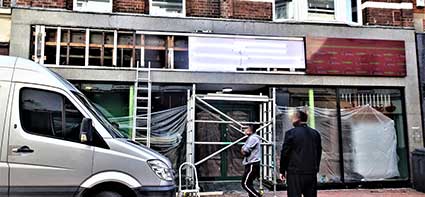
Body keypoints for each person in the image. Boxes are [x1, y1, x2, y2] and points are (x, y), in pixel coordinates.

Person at [279, 110, 322, 197]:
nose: (291, 120)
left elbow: (285, 153)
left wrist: (282, 170)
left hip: (295, 172)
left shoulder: (291, 133)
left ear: (297, 119)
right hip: (311, 172)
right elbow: (319, 153)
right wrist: (316, 168)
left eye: (293, 118)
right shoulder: (315, 133)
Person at [241, 125, 261, 197]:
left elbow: (245, 150)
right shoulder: (250, 138)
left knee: (245, 184)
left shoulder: (253, 138)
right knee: (249, 183)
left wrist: (243, 150)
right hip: (250, 163)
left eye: (246, 128)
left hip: (252, 164)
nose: (244, 130)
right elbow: (243, 149)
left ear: (250, 130)